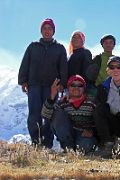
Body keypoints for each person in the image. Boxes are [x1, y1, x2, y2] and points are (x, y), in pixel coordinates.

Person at [18, 18, 68, 148]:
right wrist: (23, 80)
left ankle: (47, 144)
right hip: (34, 85)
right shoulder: (33, 46)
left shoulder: (60, 48)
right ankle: (36, 142)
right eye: (44, 28)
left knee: (49, 115)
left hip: (51, 87)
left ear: (53, 31)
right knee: (34, 114)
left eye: (50, 28)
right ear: (41, 31)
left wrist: (62, 83)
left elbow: (63, 67)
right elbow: (25, 64)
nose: (47, 31)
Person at [41, 75, 97, 153]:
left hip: (84, 136)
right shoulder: (62, 103)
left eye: (80, 85)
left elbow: (100, 120)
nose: (76, 88)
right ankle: (68, 148)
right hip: (67, 134)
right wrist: (52, 97)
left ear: (84, 88)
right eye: (73, 85)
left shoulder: (92, 102)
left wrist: (92, 131)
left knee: (85, 147)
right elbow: (45, 115)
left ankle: (77, 150)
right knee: (58, 113)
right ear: (68, 87)